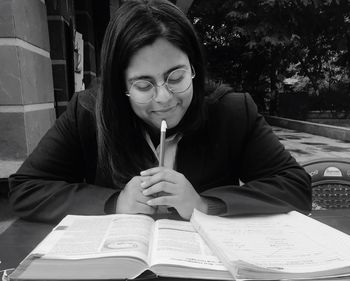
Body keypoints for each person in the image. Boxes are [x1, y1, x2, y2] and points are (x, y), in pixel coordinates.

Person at [8, 0, 311, 223]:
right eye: (143, 85)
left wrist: (205, 204)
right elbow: (25, 189)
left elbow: (295, 186)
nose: (164, 98)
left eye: (176, 77)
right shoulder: (87, 113)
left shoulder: (231, 112)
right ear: (120, 86)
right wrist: (116, 203)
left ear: (193, 69)